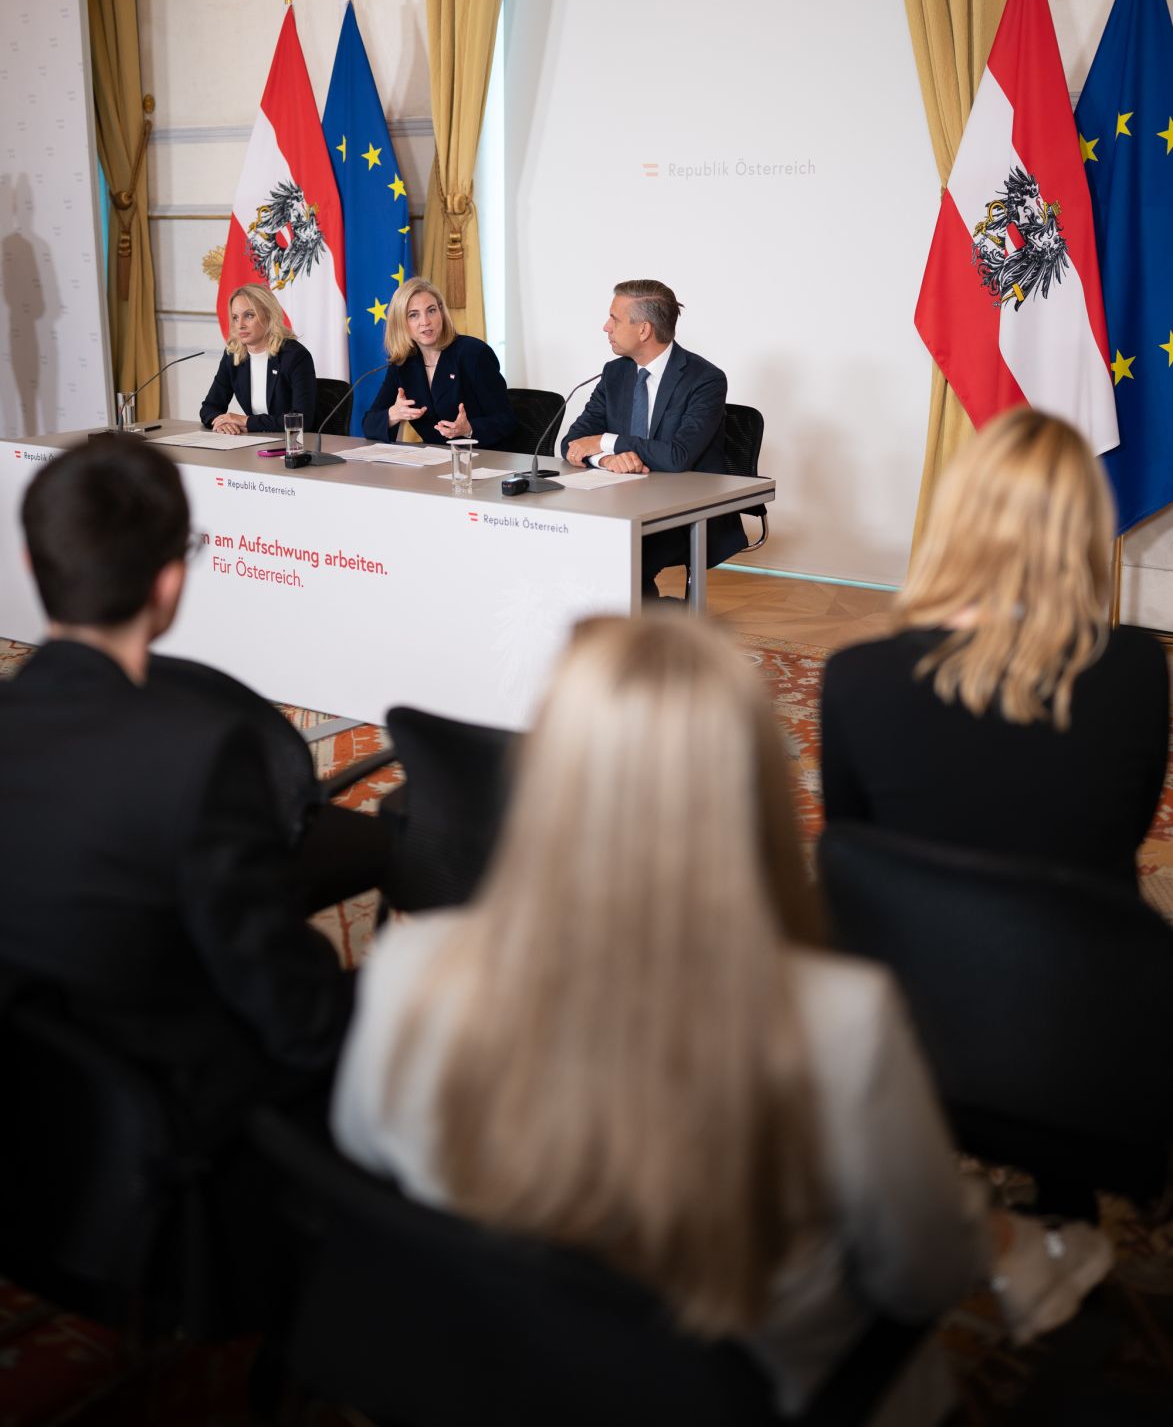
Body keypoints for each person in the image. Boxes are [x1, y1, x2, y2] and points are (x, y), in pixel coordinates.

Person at [333, 613, 1111, 1419]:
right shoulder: (840, 1023)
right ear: (754, 788)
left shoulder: (407, 969)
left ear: (541, 773)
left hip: (495, 1378)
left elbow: (365, 1162)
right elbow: (923, 1277)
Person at [0, 433, 373, 1139]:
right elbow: (297, 1019)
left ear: (32, 566)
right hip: (180, 1132)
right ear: (169, 584)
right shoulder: (201, 757)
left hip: (34, 1132)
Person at [820, 408, 1169, 887]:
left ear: (955, 515)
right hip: (1081, 947)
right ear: (1086, 526)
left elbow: (851, 845)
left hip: (906, 947)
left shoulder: (856, 677)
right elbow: (1126, 832)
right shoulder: (1138, 669)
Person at [560, 279, 747, 593]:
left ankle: (641, 637)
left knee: (619, 557)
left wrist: (607, 441)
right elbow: (572, 442)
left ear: (643, 329)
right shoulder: (615, 372)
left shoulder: (705, 380)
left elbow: (677, 456)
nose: (606, 327)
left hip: (686, 514)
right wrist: (607, 458)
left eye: (614, 319)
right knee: (574, 545)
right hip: (621, 504)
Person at [360, 276, 515, 447]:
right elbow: (369, 425)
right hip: (433, 464)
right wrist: (393, 414)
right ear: (401, 323)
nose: (425, 322)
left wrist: (469, 429)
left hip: (480, 460)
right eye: (413, 315)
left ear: (441, 313)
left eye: (431, 310)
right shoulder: (403, 364)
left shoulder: (473, 354)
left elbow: (507, 420)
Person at [199, 282, 317, 434]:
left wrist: (246, 421)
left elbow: (302, 420)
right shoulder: (234, 355)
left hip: (294, 446)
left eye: (249, 315)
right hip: (254, 443)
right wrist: (221, 423)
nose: (240, 325)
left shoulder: (294, 356)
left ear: (269, 316)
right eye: (235, 317)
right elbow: (209, 408)